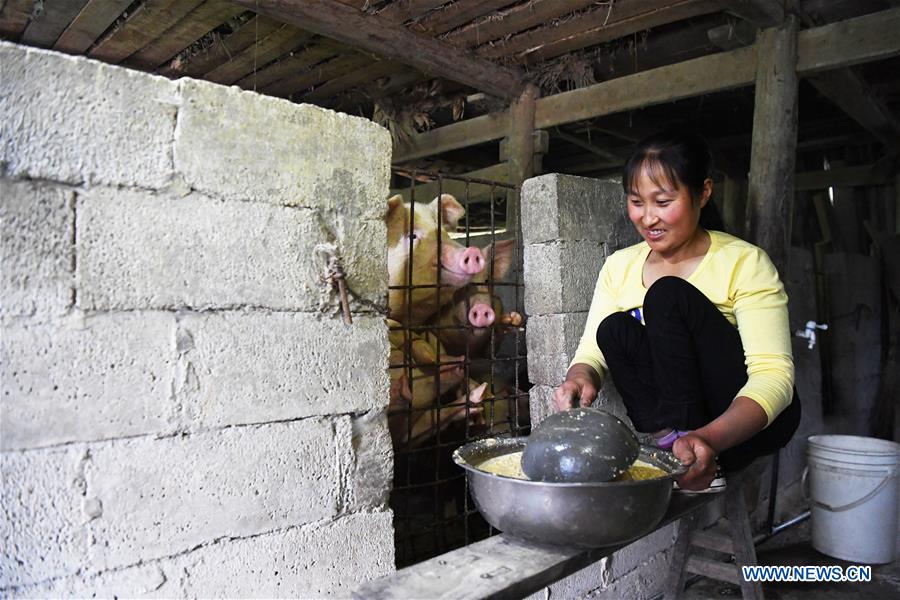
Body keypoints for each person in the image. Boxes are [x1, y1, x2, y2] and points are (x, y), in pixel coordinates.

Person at [552, 129, 801, 491]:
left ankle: (701, 451)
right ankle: (677, 449)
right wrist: (580, 377)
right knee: (613, 330)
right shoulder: (619, 267)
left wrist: (710, 438)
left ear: (703, 192)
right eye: (637, 202)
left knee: (666, 297)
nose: (648, 218)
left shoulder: (743, 262)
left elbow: (774, 376)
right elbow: (592, 349)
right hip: (678, 425)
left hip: (743, 426)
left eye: (663, 202)